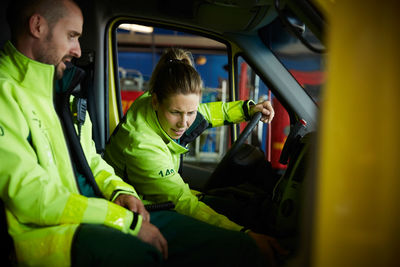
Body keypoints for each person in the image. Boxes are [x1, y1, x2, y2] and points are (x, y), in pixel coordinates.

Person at [0, 0, 284, 266]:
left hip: (97, 209)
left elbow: (91, 160)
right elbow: (31, 195)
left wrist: (119, 191)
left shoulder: (62, 92)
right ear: (37, 26)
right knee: (146, 251)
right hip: (51, 233)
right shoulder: (6, 93)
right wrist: (124, 221)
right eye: (72, 36)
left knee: (227, 240)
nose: (77, 49)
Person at [104, 47, 282, 254]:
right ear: (155, 101)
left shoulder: (161, 100)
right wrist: (245, 235)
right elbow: (182, 203)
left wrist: (248, 109)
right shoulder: (142, 145)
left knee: (243, 209)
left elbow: (206, 113)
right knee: (236, 248)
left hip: (162, 196)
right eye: (176, 113)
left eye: (191, 111)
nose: (184, 123)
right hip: (139, 209)